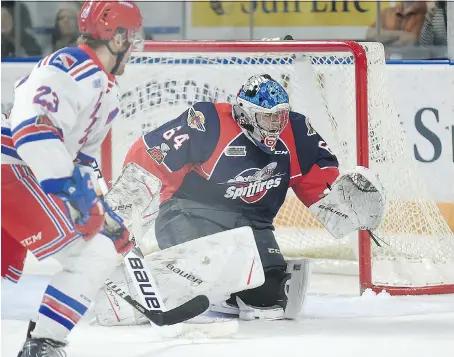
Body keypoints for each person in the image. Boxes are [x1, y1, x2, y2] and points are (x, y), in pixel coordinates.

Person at [94, 74, 386, 324]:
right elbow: (150, 156)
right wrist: (125, 213)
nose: (274, 126)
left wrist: (344, 204)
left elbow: (319, 184)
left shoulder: (295, 132)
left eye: (279, 116)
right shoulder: (209, 122)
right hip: (190, 214)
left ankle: (220, 291)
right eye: (266, 117)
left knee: (270, 297)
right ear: (245, 113)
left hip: (251, 225)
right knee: (206, 265)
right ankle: (141, 290)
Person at [1, 1, 143, 357]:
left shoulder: (103, 91)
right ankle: (41, 351)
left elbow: (82, 161)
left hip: (19, 169)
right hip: (12, 166)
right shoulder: (69, 69)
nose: (135, 48)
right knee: (92, 253)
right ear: (115, 38)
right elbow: (33, 132)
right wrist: (77, 197)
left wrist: (103, 208)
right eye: (131, 39)